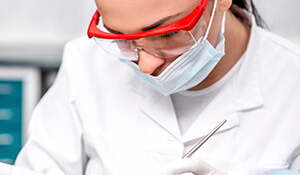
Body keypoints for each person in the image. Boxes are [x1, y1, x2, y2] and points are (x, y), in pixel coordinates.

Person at [14, 0, 300, 174]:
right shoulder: (85, 63)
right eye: (120, 37)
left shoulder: (291, 84)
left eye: (169, 34)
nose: (146, 66)